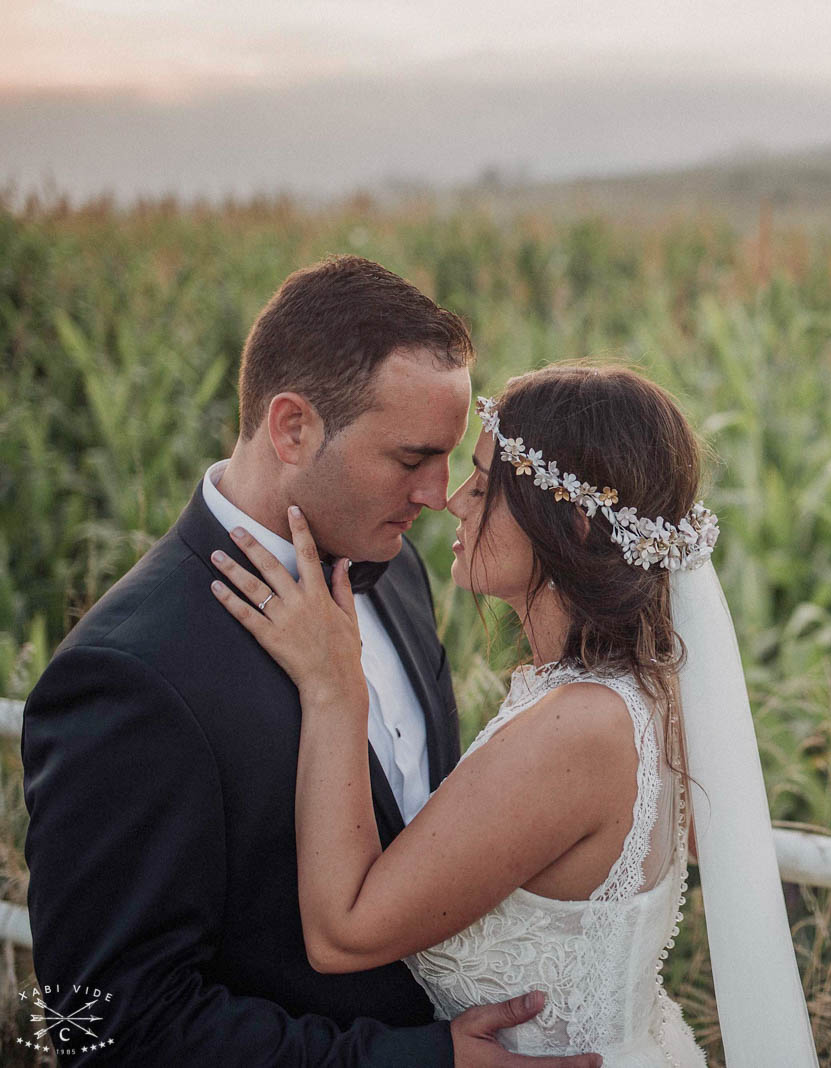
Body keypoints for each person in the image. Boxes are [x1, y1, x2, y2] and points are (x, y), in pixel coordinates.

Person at [22, 256, 595, 1066]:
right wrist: (420, 1060)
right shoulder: (128, 677)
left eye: (450, 458)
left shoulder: (394, 569)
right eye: (410, 458)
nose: (439, 495)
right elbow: (112, 1028)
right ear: (292, 427)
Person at [206, 363, 818, 1065]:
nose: (455, 501)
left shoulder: (581, 728)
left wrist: (334, 691)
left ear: (575, 526)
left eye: (486, 484)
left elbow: (344, 933)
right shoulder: (639, 689)